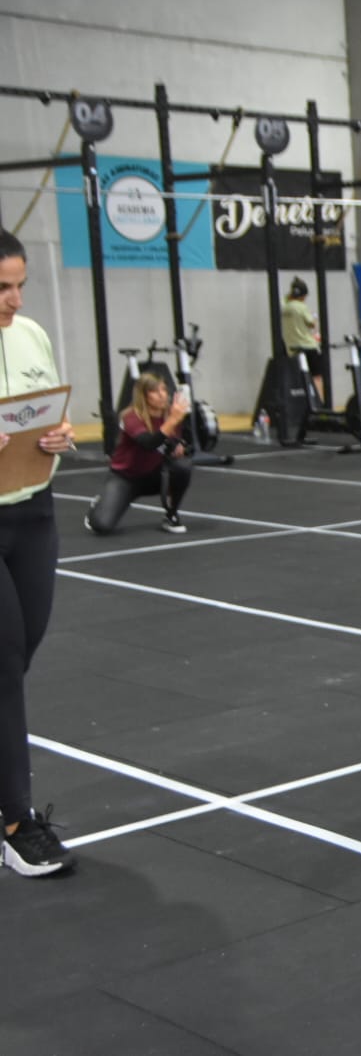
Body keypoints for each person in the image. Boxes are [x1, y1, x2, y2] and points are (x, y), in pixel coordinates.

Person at [0, 229, 76, 877]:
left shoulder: (32, 335)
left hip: (35, 516)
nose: (14, 299)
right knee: (1, 661)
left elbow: (47, 412)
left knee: (18, 656)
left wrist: (59, 434)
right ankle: (17, 822)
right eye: (2, 286)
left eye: (20, 284)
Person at [84, 373, 194, 536]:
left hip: (155, 476)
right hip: (126, 478)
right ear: (144, 395)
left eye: (164, 389)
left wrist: (181, 448)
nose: (162, 395)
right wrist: (172, 420)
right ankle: (100, 504)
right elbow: (149, 443)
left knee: (183, 466)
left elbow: (189, 445)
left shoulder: (171, 415)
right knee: (102, 525)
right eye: (155, 391)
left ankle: (171, 514)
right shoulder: (131, 417)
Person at [281, 277, 322, 402]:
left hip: (291, 349)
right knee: (317, 377)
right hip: (308, 347)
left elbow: (285, 298)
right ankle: (320, 402)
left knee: (298, 378)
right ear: (303, 295)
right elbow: (311, 324)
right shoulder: (301, 307)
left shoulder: (284, 307)